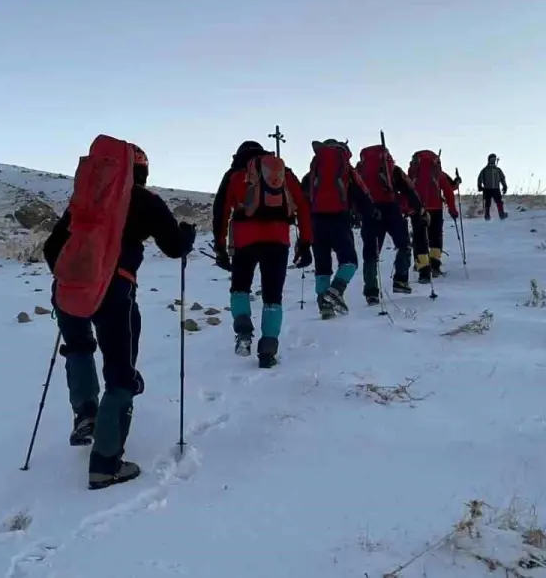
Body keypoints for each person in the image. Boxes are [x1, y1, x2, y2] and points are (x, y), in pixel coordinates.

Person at [44, 137, 196, 490]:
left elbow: (52, 249)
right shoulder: (146, 200)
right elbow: (174, 247)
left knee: (79, 347)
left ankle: (86, 415)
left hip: (68, 292)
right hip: (116, 293)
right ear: (141, 171)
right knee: (120, 372)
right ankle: (106, 464)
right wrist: (187, 234)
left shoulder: (83, 200)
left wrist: (77, 276)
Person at [211, 141, 313, 368]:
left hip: (244, 242)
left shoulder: (235, 175)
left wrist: (220, 246)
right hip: (278, 242)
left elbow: (221, 210)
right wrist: (305, 242)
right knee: (272, 297)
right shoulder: (282, 173)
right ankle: (268, 349)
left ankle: (244, 329)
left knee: (240, 288)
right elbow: (303, 205)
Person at [300, 139, 375, 319]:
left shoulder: (312, 173)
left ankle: (324, 305)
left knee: (322, 265)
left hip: (315, 222)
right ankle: (336, 289)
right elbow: (362, 193)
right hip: (339, 219)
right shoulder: (346, 170)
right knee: (349, 260)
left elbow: (303, 199)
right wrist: (369, 213)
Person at [355, 143, 425, 303]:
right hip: (391, 209)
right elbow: (409, 189)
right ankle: (400, 280)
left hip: (370, 211)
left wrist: (356, 212)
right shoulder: (392, 169)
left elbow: (353, 191)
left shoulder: (360, 170)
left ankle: (371, 292)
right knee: (404, 244)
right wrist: (419, 208)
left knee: (371, 253)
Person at [408, 150, 460, 283]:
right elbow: (448, 191)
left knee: (420, 239)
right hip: (435, 208)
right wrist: (452, 210)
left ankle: (423, 272)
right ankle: (435, 266)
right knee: (435, 237)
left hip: (417, 210)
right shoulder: (438, 174)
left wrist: (406, 208)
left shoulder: (412, 174)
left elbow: (406, 190)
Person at [477, 153, 508, 220]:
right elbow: (480, 178)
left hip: (496, 188)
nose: (493, 161)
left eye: (494, 159)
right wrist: (479, 186)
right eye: (492, 159)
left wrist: (504, 186)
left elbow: (502, 178)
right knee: (487, 203)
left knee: (499, 201)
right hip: (487, 189)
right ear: (489, 160)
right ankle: (487, 215)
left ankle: (501, 214)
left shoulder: (498, 170)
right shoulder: (485, 170)